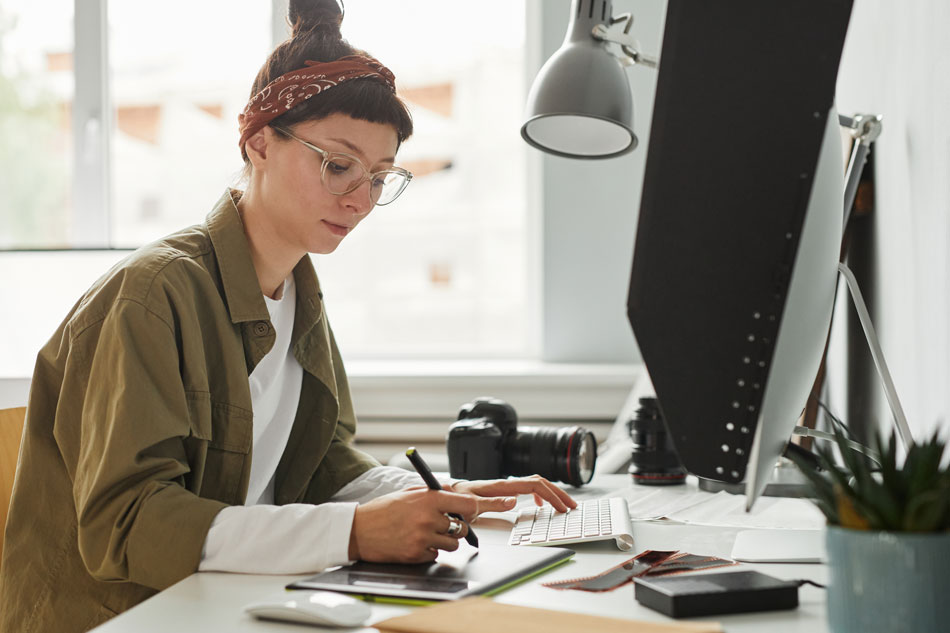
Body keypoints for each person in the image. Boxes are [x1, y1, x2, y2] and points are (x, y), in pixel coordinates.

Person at [0, 2, 577, 631]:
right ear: (258, 142)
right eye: (337, 164)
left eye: (381, 176)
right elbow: (130, 524)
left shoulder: (299, 293)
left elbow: (324, 463)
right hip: (126, 617)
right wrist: (356, 532)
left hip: (224, 604)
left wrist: (427, 494)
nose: (360, 199)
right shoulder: (155, 294)